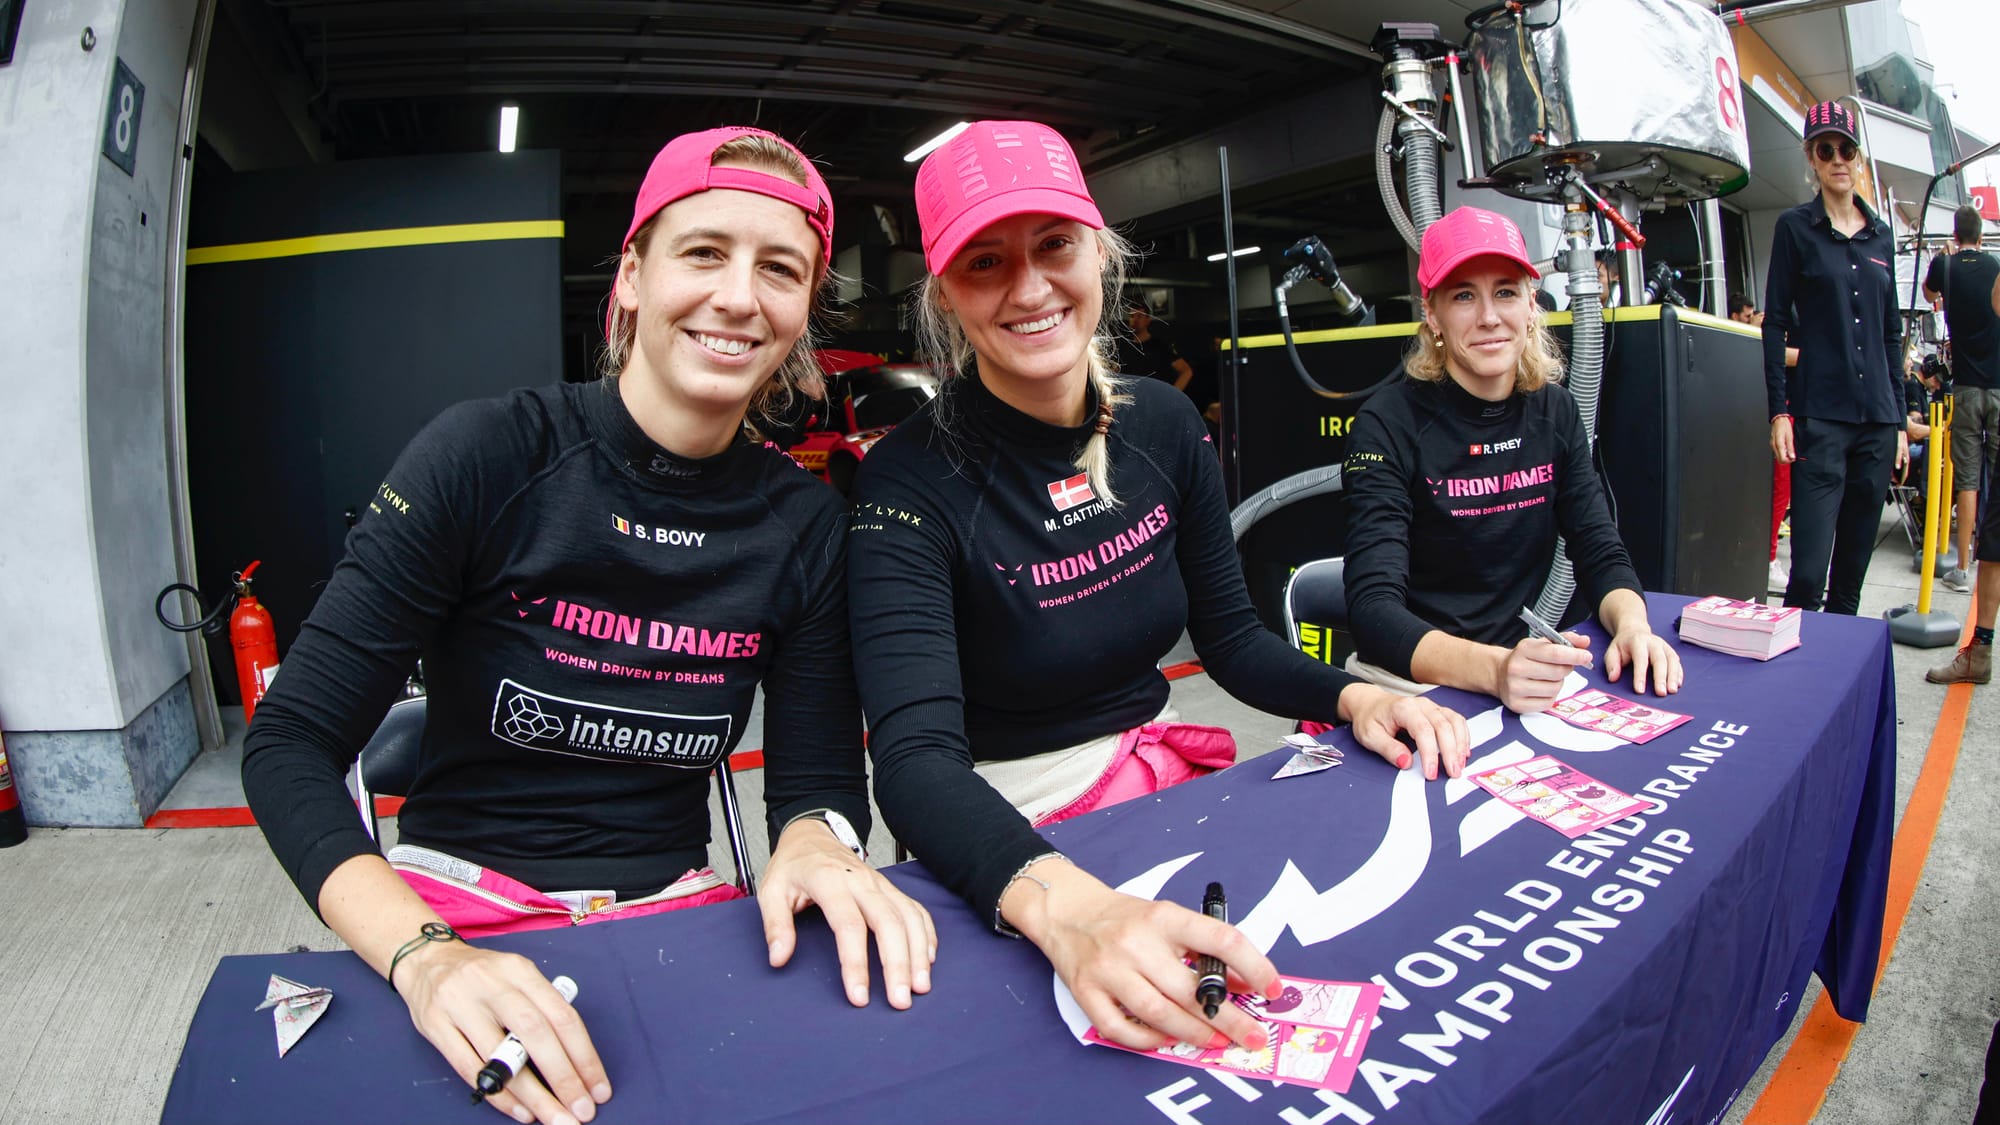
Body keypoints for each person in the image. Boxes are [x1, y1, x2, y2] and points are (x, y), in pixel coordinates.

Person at [241, 126, 935, 1125]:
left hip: (675, 914)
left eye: (778, 269)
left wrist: (818, 844)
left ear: (800, 315)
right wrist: (423, 958)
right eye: (703, 252)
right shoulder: (483, 455)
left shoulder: (808, 525)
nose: (739, 296)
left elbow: (818, 784)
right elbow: (291, 744)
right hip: (451, 913)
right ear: (632, 279)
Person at [847, 119, 1472, 1055]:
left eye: (1054, 245)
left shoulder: (1167, 424)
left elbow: (1234, 642)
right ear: (945, 292)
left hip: (1164, 801)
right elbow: (914, 764)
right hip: (1002, 838)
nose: (1030, 289)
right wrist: (1074, 912)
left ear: (1099, 253)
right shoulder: (908, 480)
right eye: (985, 262)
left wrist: (1355, 695)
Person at [1341, 206, 1682, 713]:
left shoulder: (1557, 409)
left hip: (1517, 675)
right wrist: (1495, 669)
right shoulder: (1387, 421)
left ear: (1530, 304)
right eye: (1463, 296)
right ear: (1431, 314)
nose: (1489, 316)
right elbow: (1373, 612)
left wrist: (1634, 628)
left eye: (1505, 291)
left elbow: (1599, 550)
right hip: (1412, 686)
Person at [1764, 101, 1908, 616]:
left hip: (1875, 421)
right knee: (1806, 574)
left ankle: (1838, 681)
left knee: (1850, 580)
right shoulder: (1795, 228)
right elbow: (1774, 322)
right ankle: (1796, 684)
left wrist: (1896, 421)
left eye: (1846, 149)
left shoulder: (1882, 238)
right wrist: (1779, 410)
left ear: (1858, 158)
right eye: (1827, 150)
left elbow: (1892, 332)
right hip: (1820, 420)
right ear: (1812, 159)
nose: (1838, 159)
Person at [1921, 204, 2000, 595]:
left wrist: (1944, 262)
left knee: (1967, 480)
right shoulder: (1997, 267)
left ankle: (1964, 568)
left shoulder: (1945, 266)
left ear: (1955, 236)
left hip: (1967, 387)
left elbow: (1928, 292)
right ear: (1982, 236)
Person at [1731, 292, 1800, 592]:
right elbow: (1774, 352)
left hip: (1785, 409)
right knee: (1777, 491)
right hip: (1773, 412)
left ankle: (1769, 556)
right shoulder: (1771, 322)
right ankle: (1768, 559)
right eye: (1746, 317)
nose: (1751, 320)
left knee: (1783, 493)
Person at [1115, 301, 1195, 392]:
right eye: (1132, 316)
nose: (1135, 320)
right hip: (1130, 399)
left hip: (1153, 398)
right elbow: (1116, 372)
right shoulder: (1123, 346)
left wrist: (1173, 395)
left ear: (1148, 320)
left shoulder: (1159, 346)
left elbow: (1186, 371)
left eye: (1139, 316)